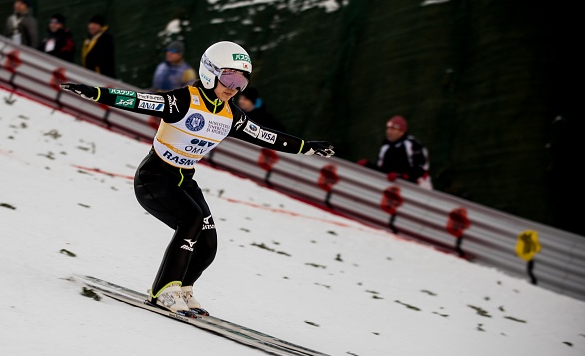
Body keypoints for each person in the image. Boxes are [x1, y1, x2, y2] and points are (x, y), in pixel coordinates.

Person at [60, 41, 334, 315]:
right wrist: (95, 93)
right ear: (209, 72)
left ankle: (182, 288)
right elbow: (138, 101)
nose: (233, 87)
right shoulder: (183, 101)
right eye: (228, 77)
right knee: (190, 219)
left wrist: (306, 146)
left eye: (241, 81)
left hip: (184, 180)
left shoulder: (231, 116)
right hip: (154, 177)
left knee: (208, 243)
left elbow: (266, 136)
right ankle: (163, 290)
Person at [359, 115, 432, 189]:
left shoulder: (413, 144)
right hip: (394, 186)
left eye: (393, 129)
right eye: (388, 129)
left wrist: (403, 176)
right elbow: (381, 170)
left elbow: (422, 168)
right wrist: (368, 166)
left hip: (417, 186)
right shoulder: (385, 147)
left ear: (402, 131)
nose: (389, 132)